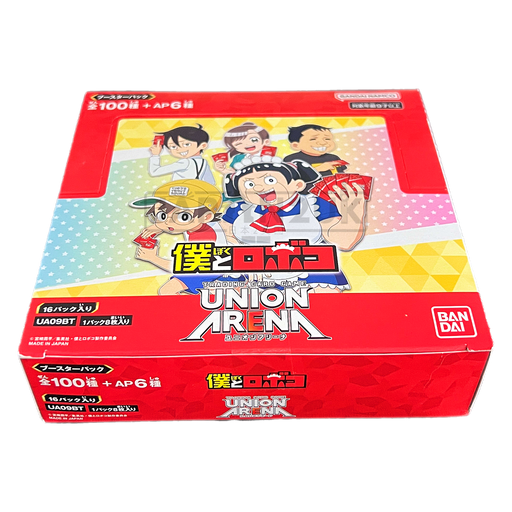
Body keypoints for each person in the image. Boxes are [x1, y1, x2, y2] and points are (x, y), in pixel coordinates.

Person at [218, 156, 368, 292]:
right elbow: (224, 239)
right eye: (249, 184)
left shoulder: (315, 204)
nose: (258, 188)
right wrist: (246, 262)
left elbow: (343, 243)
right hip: (256, 273)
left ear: (297, 185)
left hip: (311, 271)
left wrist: (353, 217)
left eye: (269, 180)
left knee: (324, 303)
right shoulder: (239, 210)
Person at [130, 179, 228, 294]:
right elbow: (174, 223)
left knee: (166, 291)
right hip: (210, 265)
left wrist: (152, 258)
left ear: (206, 217)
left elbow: (184, 267)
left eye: (183, 216)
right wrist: (159, 226)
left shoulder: (204, 238)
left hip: (209, 270)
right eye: (162, 215)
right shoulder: (199, 224)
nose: (168, 222)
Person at [149, 124, 216, 184]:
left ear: (203, 145)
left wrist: (155, 155)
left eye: (186, 144)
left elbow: (155, 171)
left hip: (180, 192)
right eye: (173, 147)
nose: (179, 149)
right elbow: (210, 182)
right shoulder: (203, 162)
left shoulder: (185, 162)